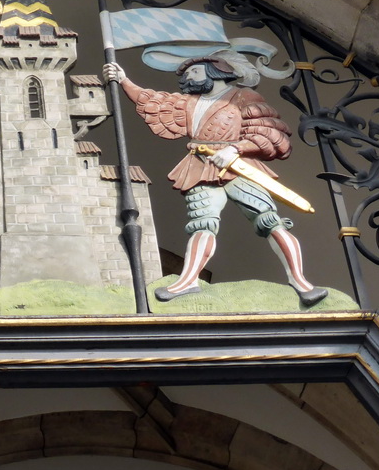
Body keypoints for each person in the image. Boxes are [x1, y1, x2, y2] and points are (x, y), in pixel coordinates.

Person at [103, 53, 327, 305]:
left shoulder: (244, 97)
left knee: (269, 220)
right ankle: (188, 281)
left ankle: (300, 281)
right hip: (200, 165)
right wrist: (123, 80)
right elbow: (155, 101)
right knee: (202, 223)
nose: (188, 77)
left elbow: (267, 130)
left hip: (239, 166)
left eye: (194, 72)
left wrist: (236, 148)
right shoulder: (189, 103)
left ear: (216, 72)